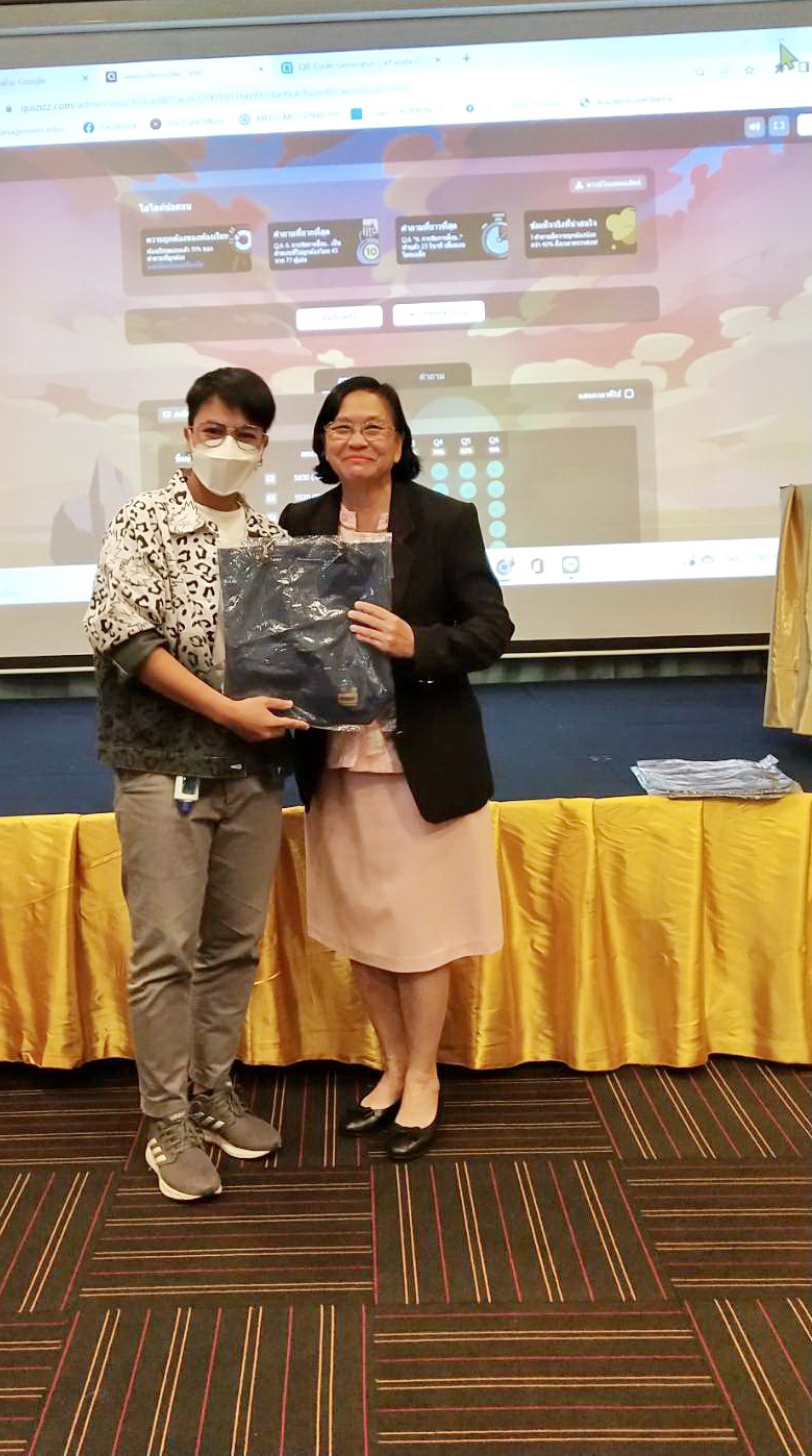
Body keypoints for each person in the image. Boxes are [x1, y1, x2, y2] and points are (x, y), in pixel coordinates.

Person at [85, 367, 307, 1202]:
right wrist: (225, 710)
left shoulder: (272, 541)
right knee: (166, 949)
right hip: (165, 764)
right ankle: (167, 1119)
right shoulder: (143, 520)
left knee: (235, 943)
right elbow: (127, 638)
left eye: (247, 434)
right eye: (214, 429)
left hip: (253, 769)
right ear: (187, 433)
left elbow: (295, 655)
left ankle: (213, 1093)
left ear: (263, 445)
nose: (229, 445)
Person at [279, 376, 513, 1160]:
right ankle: (391, 1065)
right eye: (341, 426)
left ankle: (424, 1076)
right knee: (365, 928)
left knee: (421, 931)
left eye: (373, 427)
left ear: (400, 442)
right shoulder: (299, 522)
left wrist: (418, 643)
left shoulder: (445, 519)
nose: (357, 440)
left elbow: (492, 628)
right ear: (323, 441)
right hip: (337, 759)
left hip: (420, 760)